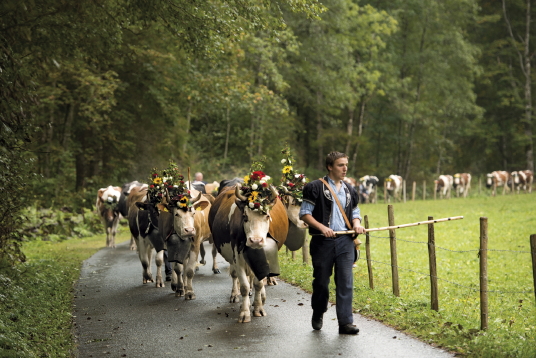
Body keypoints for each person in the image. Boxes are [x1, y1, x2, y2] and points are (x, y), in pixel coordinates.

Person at [299, 151, 366, 335]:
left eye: (346, 165)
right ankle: (318, 311)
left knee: (345, 282)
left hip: (345, 241)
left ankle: (346, 322)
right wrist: (322, 228)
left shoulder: (350, 189)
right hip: (323, 242)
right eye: (340, 165)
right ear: (330, 167)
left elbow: (354, 211)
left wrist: (357, 224)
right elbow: (305, 213)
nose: (345, 168)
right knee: (321, 282)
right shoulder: (314, 187)